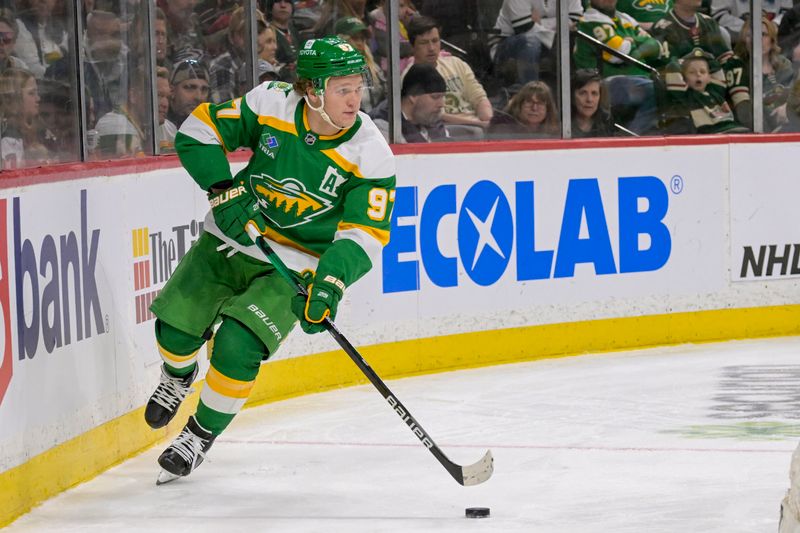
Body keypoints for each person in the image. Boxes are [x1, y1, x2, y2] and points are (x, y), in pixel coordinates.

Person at [143, 36, 396, 483]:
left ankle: (199, 434)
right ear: (313, 90)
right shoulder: (271, 102)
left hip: (296, 265)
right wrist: (223, 189)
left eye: (358, 87)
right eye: (342, 89)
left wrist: (329, 285)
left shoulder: (371, 154)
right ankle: (178, 375)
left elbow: (364, 234)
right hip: (233, 237)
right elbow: (198, 131)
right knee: (174, 331)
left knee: (239, 346)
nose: (354, 100)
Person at [650, 0, 752, 127]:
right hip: (685, 90)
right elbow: (667, 67)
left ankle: (744, 108)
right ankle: (704, 122)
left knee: (735, 63)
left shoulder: (708, 22)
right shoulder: (663, 27)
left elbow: (724, 57)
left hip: (714, 81)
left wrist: (714, 72)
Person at [573, 0, 663, 134]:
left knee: (670, 87)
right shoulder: (590, 20)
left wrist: (634, 45)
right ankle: (633, 137)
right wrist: (640, 45)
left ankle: (636, 133)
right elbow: (618, 54)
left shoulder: (626, 18)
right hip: (605, 83)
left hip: (639, 79)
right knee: (657, 90)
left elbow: (657, 47)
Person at [404, 15, 493, 130]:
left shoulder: (456, 64)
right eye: (424, 43)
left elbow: (479, 97)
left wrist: (488, 120)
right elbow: (434, 116)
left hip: (477, 124)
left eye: (435, 41)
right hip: (446, 130)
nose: (431, 48)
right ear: (412, 46)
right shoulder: (409, 77)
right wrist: (477, 124)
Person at [491, 0, 583, 84]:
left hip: (547, 41)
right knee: (531, 41)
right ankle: (531, 93)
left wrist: (540, 23)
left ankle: (567, 92)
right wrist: (559, 27)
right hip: (507, 43)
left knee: (567, 39)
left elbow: (575, 19)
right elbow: (524, 27)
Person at [664, 47, 748, 133]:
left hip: (730, 127)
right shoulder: (685, 96)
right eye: (692, 72)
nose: (698, 75)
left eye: (703, 72)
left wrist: (706, 56)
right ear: (684, 78)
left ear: (709, 77)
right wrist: (680, 61)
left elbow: (716, 67)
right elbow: (672, 67)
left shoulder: (715, 91)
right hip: (709, 132)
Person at [734, 15, 794, 131]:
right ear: (743, 40)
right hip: (755, 129)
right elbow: (744, 110)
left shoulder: (784, 65)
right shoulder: (738, 67)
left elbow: (794, 96)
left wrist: (787, 108)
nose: (756, 39)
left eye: (763, 34)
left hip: (787, 124)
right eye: (750, 35)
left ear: (772, 40)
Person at [369, 62, 448, 143]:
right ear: (413, 96)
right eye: (435, 97)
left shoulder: (433, 121)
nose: (441, 104)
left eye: (442, 97)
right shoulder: (385, 126)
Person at [0, 67, 48, 168]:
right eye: (31, 93)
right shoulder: (7, 138)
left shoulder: (40, 128)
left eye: (37, 93)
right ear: (14, 98)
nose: (38, 98)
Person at [335, 16, 385, 112]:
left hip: (375, 122)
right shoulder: (331, 70)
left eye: (362, 39)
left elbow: (387, 96)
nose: (360, 43)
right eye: (355, 38)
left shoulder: (374, 68)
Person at [13, 0, 68, 78]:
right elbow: (34, 71)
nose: (43, 1)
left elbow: (75, 56)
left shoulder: (58, 27)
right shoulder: (19, 26)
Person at [488, 80, 559, 139]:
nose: (534, 108)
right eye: (529, 102)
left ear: (548, 108)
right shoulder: (503, 127)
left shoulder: (559, 133)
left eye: (540, 103)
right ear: (519, 104)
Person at [571, 68, 617, 137]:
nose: (589, 99)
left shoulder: (606, 120)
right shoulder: (560, 124)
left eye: (594, 93)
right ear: (572, 96)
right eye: (583, 93)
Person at [167, 57, 210, 128]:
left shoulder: (212, 130)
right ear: (172, 91)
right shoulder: (161, 127)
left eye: (204, 89)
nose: (198, 97)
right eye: (190, 88)